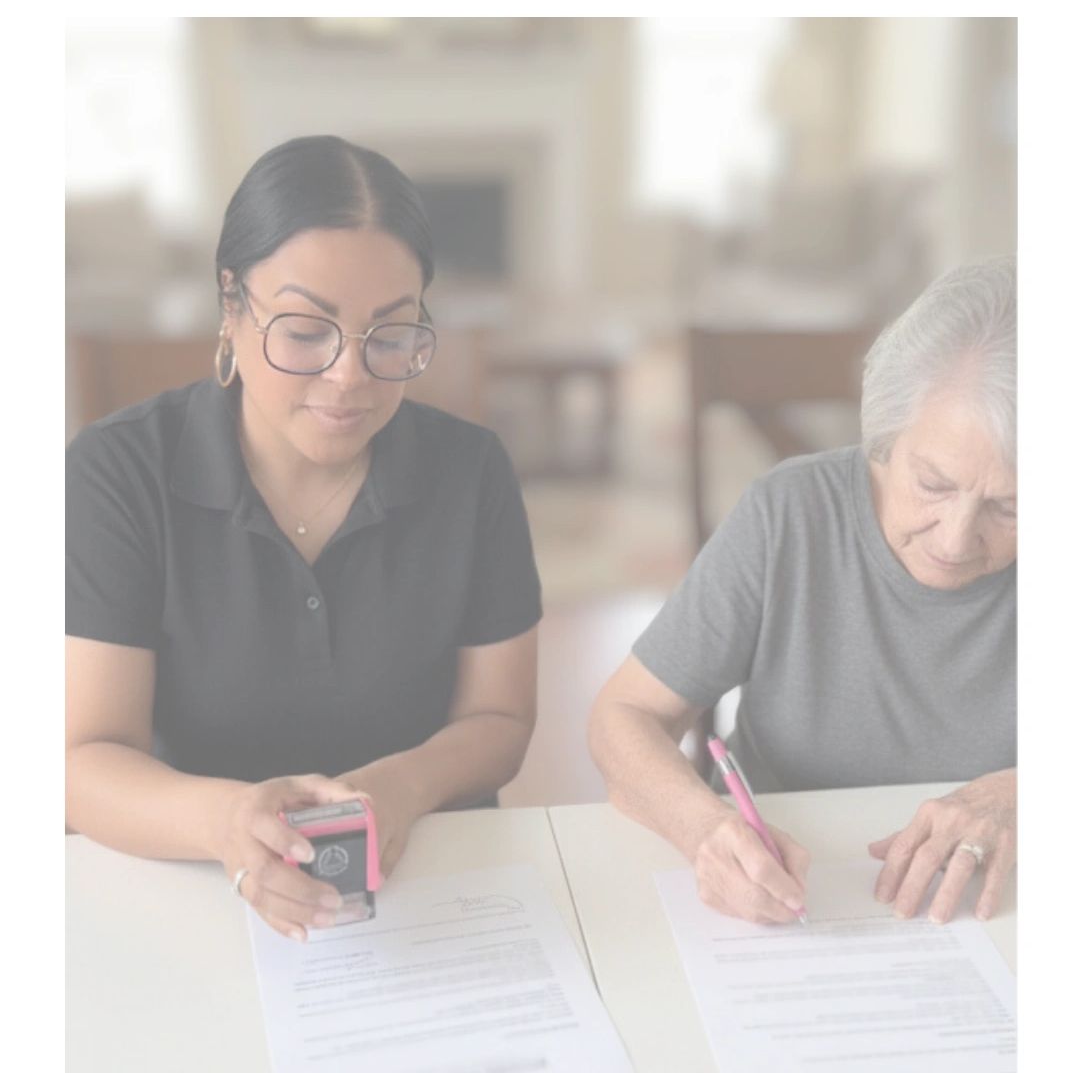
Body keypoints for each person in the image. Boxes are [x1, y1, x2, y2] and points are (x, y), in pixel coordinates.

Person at [66, 136, 542, 943]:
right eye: (305, 330)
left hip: (428, 894)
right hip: (187, 895)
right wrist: (227, 822)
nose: (349, 376)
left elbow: (500, 719)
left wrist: (402, 787)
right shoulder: (118, 474)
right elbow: (82, 762)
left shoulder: (472, 472)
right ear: (231, 305)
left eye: (390, 335)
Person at [588, 257, 1016, 928]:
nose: (957, 539)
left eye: (1011, 508)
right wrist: (703, 828)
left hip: (996, 916)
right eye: (933, 483)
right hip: (794, 909)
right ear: (884, 436)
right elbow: (623, 717)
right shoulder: (789, 514)